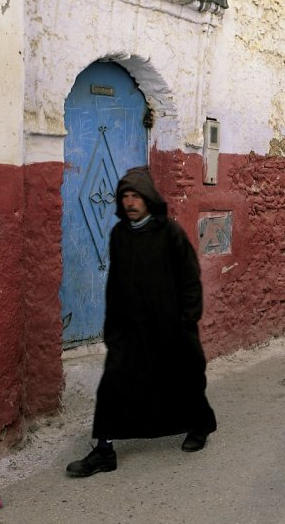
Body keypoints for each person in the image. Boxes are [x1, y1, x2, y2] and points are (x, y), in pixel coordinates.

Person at [66, 166, 217, 477]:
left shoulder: (170, 233)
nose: (130, 202)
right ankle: (104, 450)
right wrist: (114, 329)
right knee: (113, 384)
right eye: (125, 197)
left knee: (185, 377)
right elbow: (116, 284)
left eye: (136, 196)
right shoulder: (119, 235)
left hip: (171, 326)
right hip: (131, 329)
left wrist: (187, 320)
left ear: (148, 199)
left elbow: (190, 279)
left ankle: (198, 426)